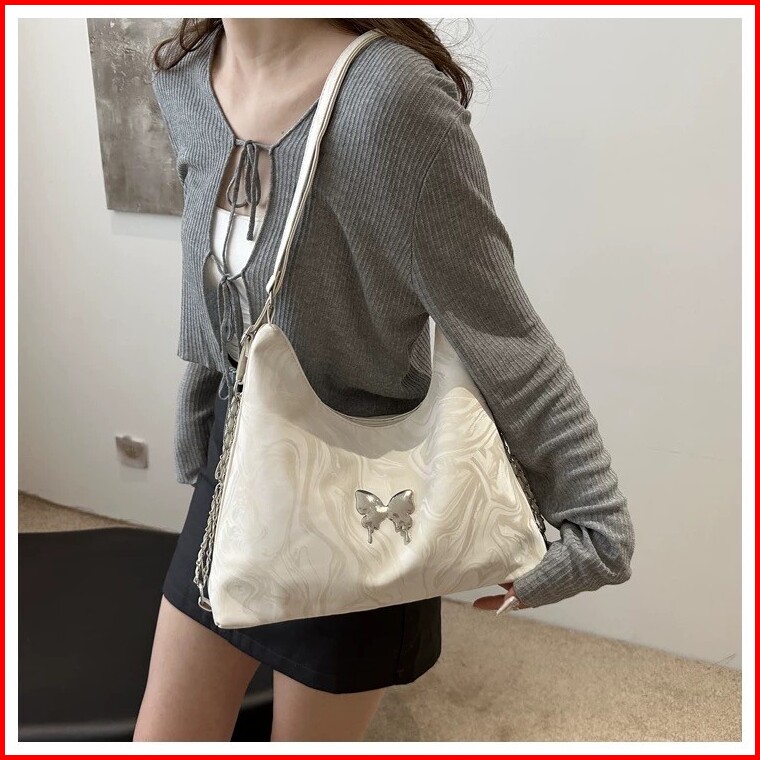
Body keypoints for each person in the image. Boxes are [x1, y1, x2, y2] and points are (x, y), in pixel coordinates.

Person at [135, 18, 635, 742]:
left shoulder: (389, 99)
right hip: (238, 468)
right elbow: (215, 269)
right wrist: (197, 408)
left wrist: (596, 517)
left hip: (367, 500)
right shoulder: (183, 77)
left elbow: (493, 322)